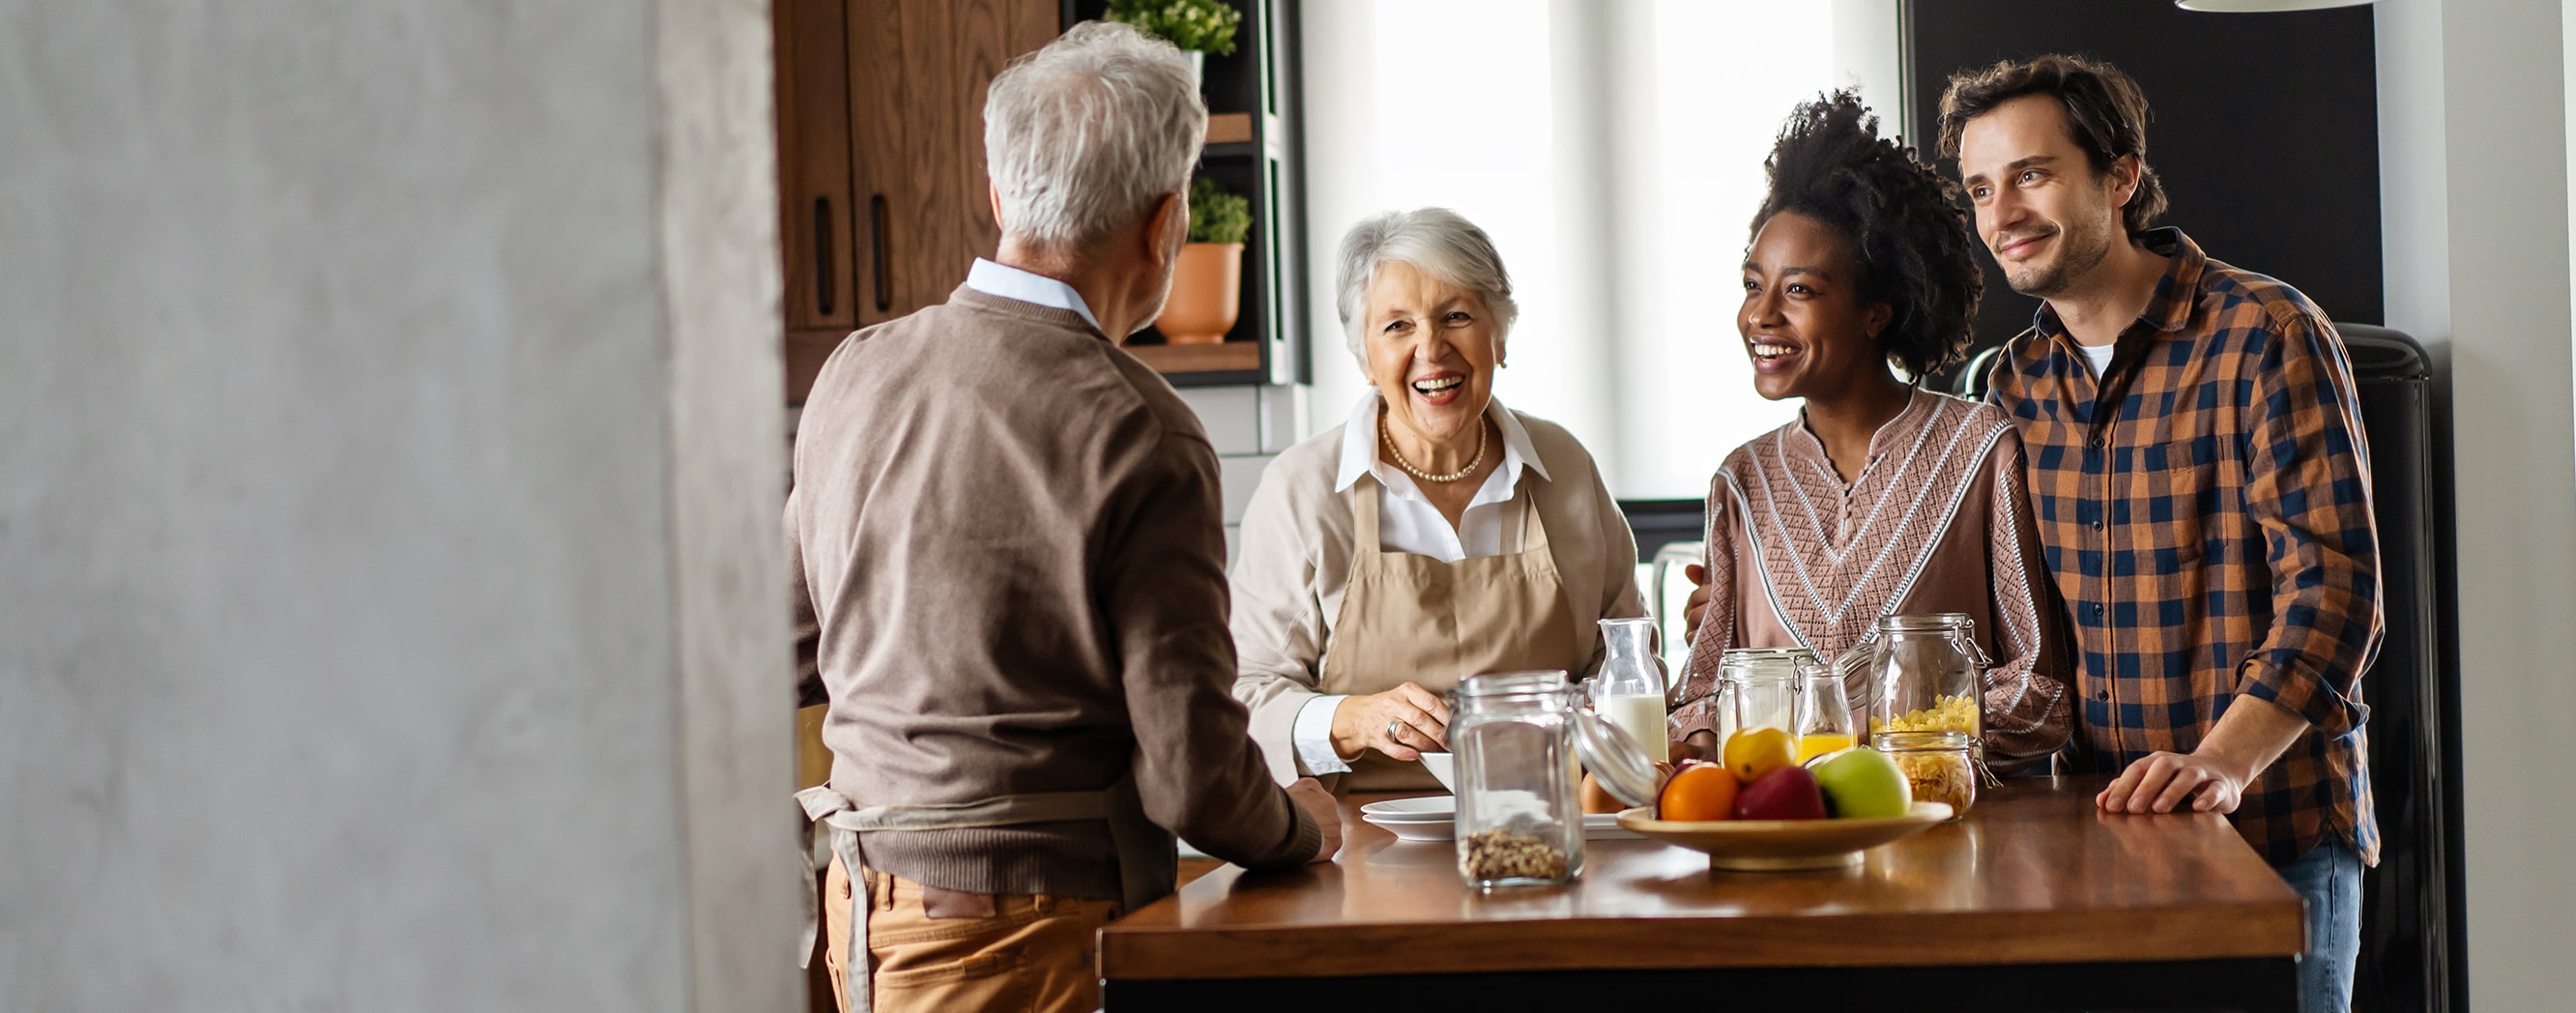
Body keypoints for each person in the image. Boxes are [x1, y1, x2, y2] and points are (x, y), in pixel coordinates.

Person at [786, 23, 1338, 1013]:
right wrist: (1304, 826)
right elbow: (1193, 780)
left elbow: (778, 648)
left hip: (858, 921)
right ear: (1166, 224)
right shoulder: (1141, 430)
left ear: (1000, 198)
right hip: (1024, 934)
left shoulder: (855, 372)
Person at [1939, 54, 2382, 1012]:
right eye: (1981, 188)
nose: (2001, 212)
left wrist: (2220, 761)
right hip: (2101, 848)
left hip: (2276, 836)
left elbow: (2335, 591)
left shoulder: (2265, 331)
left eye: (2032, 174)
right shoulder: (2010, 385)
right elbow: (2012, 623)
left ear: (2121, 175)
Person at [1672, 92, 2074, 771]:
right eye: (1751, 284)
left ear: (1874, 313)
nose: (1760, 315)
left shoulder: (1978, 450)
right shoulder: (1740, 481)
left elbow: (2037, 692)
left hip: (1950, 841)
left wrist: (1873, 743)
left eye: (1798, 290)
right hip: (1787, 837)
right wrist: (1718, 753)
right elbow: (1699, 697)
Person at [1230, 208, 1645, 791]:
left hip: (1544, 825)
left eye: (1456, 316)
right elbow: (1244, 696)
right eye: (1397, 326)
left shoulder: (1564, 469)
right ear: (1364, 357)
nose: (1432, 348)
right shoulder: (1304, 489)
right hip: (1356, 849)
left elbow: (1627, 662)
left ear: (1498, 335)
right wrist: (1353, 719)